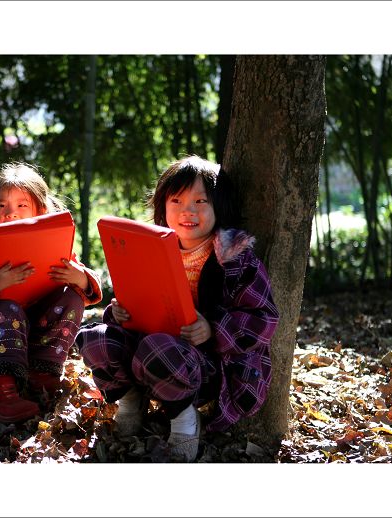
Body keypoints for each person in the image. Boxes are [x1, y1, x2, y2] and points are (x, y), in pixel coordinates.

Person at [76, 155, 279, 462]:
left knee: (158, 349)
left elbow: (264, 319)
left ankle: (184, 418)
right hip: (148, 354)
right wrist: (120, 312)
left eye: (200, 201)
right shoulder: (149, 249)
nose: (188, 210)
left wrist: (213, 328)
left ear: (218, 207)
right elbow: (136, 298)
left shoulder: (235, 259)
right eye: (177, 200)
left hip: (207, 368)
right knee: (94, 337)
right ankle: (131, 399)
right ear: (162, 205)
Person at [0, 162, 102, 423]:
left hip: (31, 339)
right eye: (1, 206)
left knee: (71, 296)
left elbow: (85, 287)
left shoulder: (51, 243)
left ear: (40, 209)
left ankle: (41, 376)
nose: (10, 213)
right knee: (8, 309)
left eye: (21, 205)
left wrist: (81, 278)